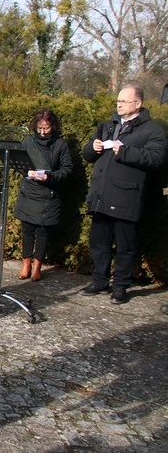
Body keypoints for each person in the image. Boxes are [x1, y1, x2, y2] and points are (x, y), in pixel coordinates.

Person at [78, 84, 167, 304]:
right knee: (99, 241)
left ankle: (120, 286)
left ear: (138, 104)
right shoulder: (108, 126)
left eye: (124, 101)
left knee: (125, 245)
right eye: (118, 101)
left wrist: (125, 152)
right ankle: (100, 280)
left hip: (127, 196)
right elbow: (88, 153)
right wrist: (93, 148)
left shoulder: (152, 130)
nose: (119, 104)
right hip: (101, 194)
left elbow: (156, 158)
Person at [12, 109, 73, 281]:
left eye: (46, 128)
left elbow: (67, 169)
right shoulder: (28, 141)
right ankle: (26, 264)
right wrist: (27, 171)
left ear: (53, 126)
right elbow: (18, 162)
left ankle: (37, 266)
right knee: (27, 229)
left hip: (48, 193)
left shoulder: (61, 145)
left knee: (43, 231)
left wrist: (50, 176)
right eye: (39, 128)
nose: (42, 132)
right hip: (29, 192)